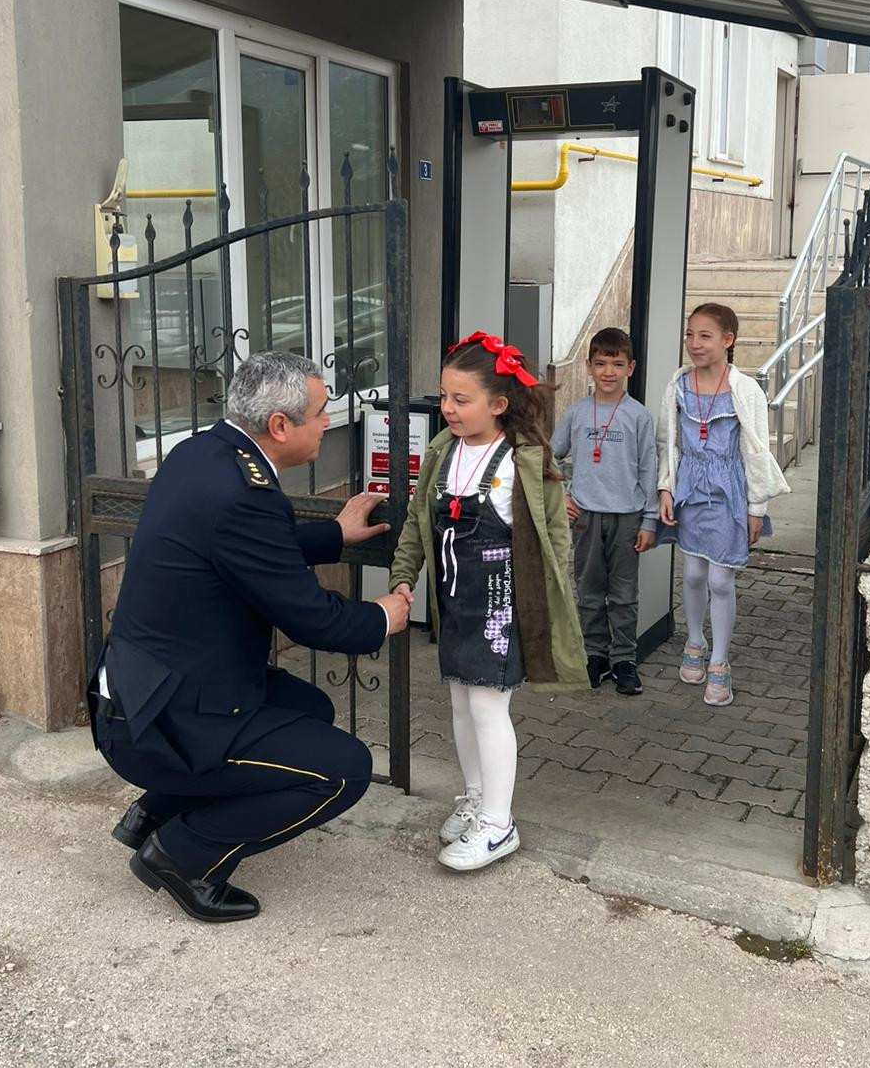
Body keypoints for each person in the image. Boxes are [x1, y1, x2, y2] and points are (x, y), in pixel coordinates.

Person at [89, 350, 413, 925]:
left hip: (145, 693)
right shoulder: (243, 492)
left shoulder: (204, 453)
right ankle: (182, 854)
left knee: (309, 709)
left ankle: (154, 813)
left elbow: (248, 548)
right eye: (321, 412)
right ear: (280, 425)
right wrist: (381, 617)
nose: (328, 422)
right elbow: (311, 619)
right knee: (344, 770)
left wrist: (334, 534)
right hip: (159, 724)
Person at [390, 330, 588, 871]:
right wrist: (404, 576)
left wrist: (551, 605)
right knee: (460, 700)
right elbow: (417, 522)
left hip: (500, 602)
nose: (448, 408)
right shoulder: (442, 452)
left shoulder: (524, 459)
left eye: (462, 399)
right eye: (444, 397)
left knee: (486, 704)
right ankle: (477, 798)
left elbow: (554, 537)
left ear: (498, 405)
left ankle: (499, 825)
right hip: (455, 600)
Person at [655, 304, 789, 707]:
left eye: (705, 336)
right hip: (690, 490)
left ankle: (719, 660)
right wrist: (665, 488)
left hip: (730, 494)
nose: (694, 343)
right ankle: (694, 641)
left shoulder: (745, 390)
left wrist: (756, 507)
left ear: (727, 340)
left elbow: (757, 451)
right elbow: (668, 442)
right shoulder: (678, 386)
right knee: (693, 572)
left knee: (720, 580)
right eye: (690, 334)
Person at [550, 326, 657, 696]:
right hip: (586, 517)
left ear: (631, 368)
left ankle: (624, 659)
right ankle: (595, 654)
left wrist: (649, 520)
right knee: (589, 590)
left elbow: (649, 470)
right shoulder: (576, 413)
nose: (608, 372)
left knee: (624, 593)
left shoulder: (639, 417)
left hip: (627, 517)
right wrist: (561, 496)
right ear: (588, 367)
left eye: (617, 364)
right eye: (600, 364)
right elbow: (549, 456)